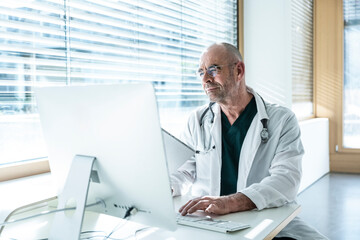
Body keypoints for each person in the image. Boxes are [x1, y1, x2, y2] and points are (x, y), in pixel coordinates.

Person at [170, 42, 327, 239]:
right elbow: (185, 169)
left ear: (239, 70)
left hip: (264, 216)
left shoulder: (281, 120)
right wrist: (166, 186)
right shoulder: (198, 120)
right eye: (201, 72)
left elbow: (286, 180)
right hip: (209, 221)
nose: (206, 79)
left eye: (213, 69)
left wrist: (229, 202)